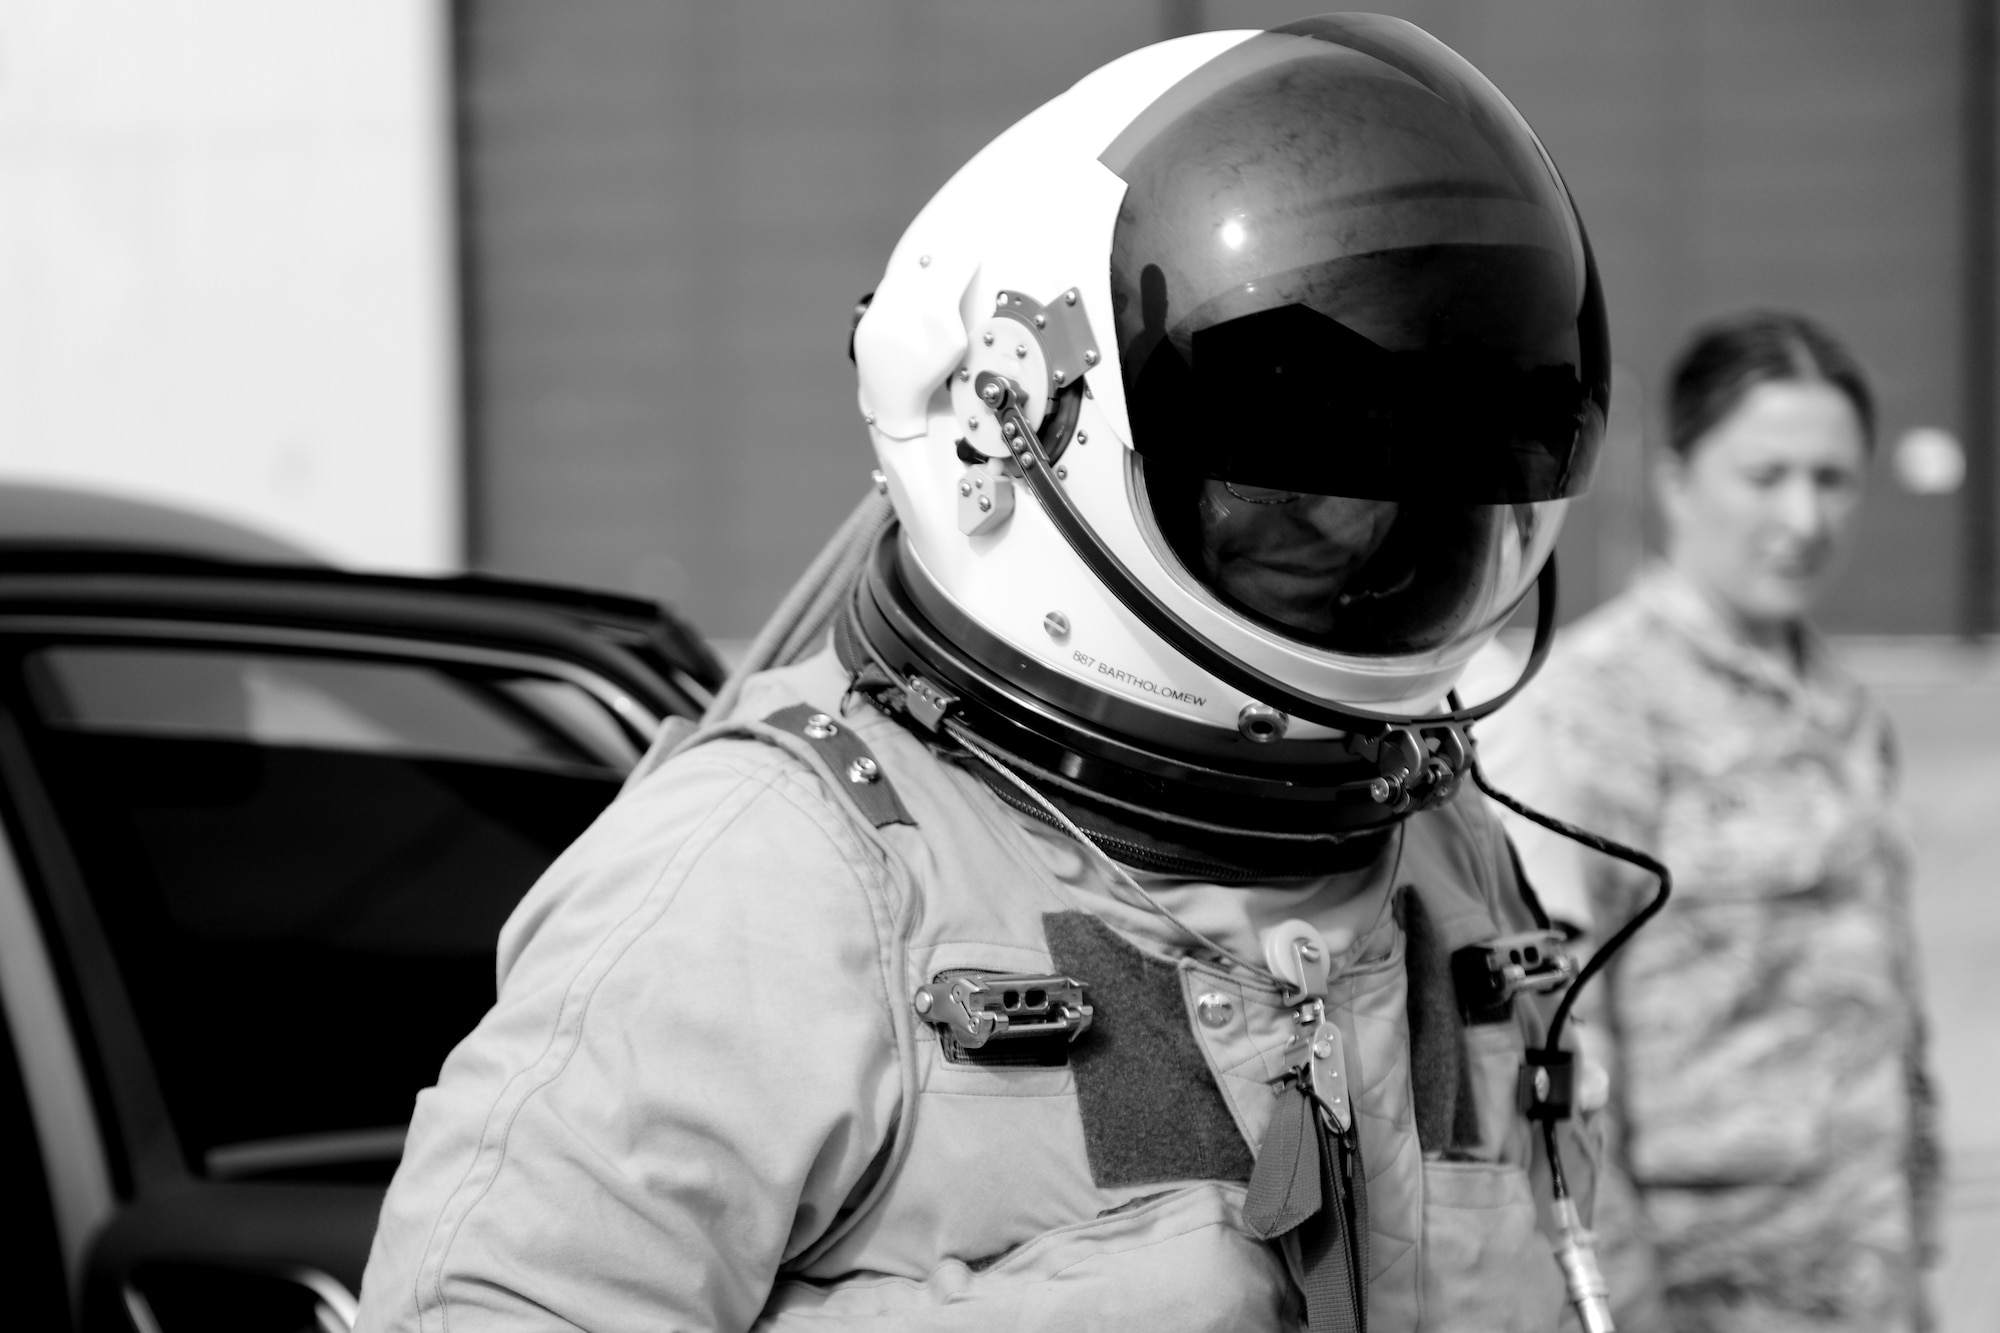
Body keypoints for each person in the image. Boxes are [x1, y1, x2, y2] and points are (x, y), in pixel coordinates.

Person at [357, 17, 1631, 1330]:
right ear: (1009, 422)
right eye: (1281, 489)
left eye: (1394, 502)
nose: (1352, 535)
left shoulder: (1445, 853)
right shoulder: (777, 880)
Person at [1476, 310, 1942, 1332]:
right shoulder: (1595, 705)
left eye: (1831, 479)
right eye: (1765, 474)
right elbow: (1558, 1030)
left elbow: (1885, 1004)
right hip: (1705, 1289)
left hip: (1869, 1271)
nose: (1803, 515)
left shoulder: (1837, 702)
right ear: (1675, 476)